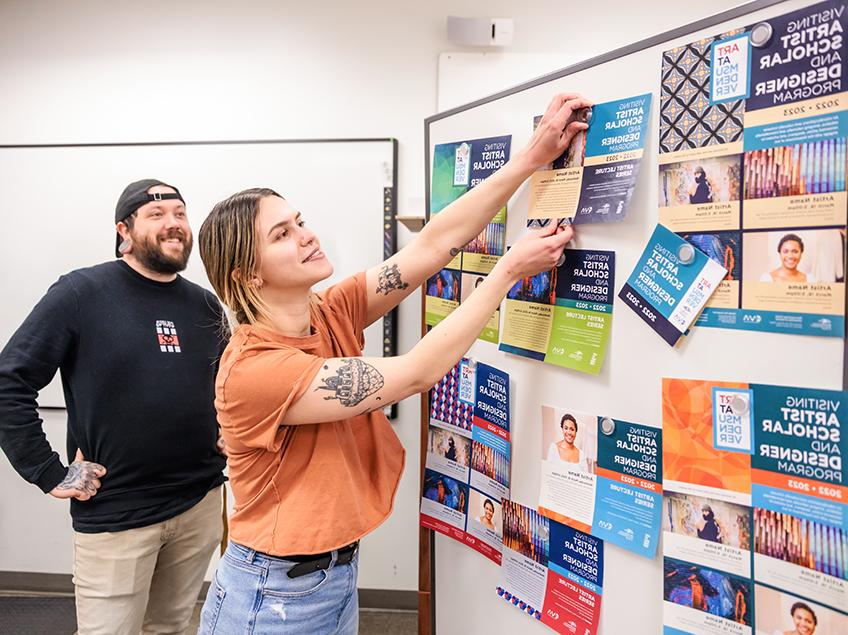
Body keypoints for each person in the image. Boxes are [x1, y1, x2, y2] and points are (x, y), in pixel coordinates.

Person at [195, 92, 591, 634]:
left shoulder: (329, 310)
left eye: (300, 220)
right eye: (282, 235)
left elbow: (434, 244)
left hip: (329, 578)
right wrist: (506, 272)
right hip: (273, 597)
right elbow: (416, 372)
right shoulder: (253, 370)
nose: (307, 235)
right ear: (248, 275)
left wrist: (529, 158)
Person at [0, 179, 227, 634]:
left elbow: (225, 387)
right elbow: (10, 381)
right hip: (118, 513)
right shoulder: (81, 293)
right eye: (156, 214)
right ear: (124, 230)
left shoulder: (204, 303)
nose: (173, 224)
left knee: (174, 627)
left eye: (180, 213)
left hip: (200, 502)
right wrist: (48, 471)